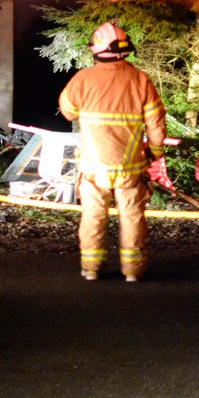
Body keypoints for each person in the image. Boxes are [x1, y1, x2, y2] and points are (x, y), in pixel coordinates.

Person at [59, 22, 166, 283]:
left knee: (93, 215)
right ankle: (132, 271)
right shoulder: (140, 80)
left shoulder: (83, 79)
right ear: (125, 49)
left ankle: (91, 269)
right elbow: (156, 125)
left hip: (94, 167)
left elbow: (68, 111)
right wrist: (155, 153)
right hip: (131, 167)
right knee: (132, 216)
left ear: (97, 50)